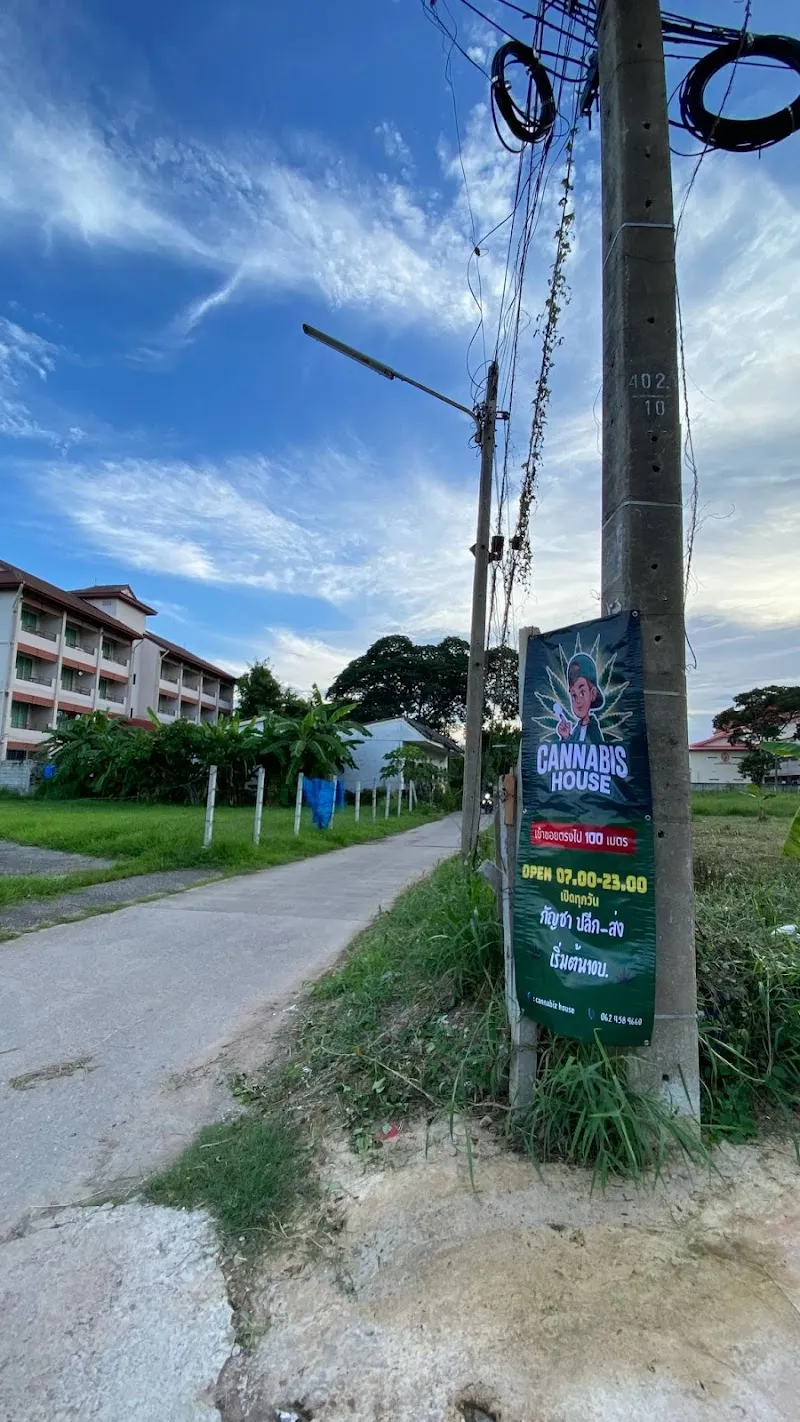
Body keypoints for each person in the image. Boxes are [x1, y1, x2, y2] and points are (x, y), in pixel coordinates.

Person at [556, 652, 605, 744]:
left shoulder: (593, 729)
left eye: (582, 693)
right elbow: (571, 750)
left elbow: (599, 751)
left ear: (592, 694)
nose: (578, 700)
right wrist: (566, 737)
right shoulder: (577, 729)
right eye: (574, 695)